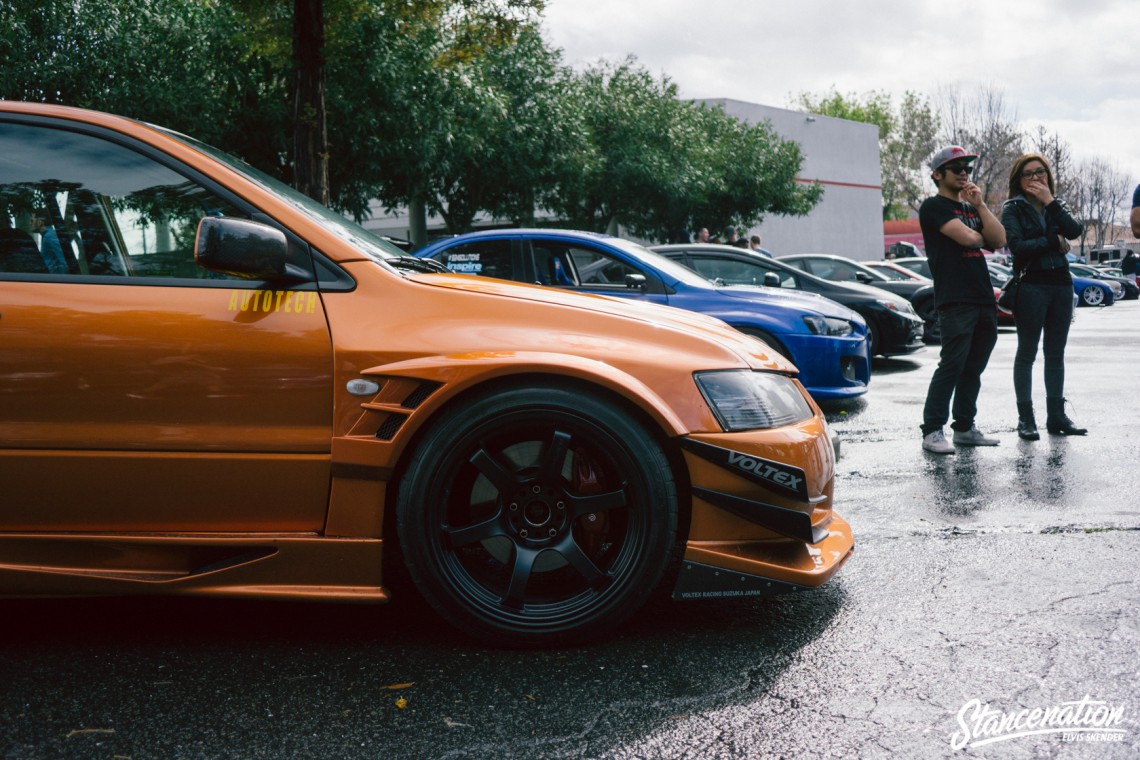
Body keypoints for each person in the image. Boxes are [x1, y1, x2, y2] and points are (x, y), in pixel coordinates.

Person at [918, 146, 1007, 454]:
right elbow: (970, 239)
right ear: (937, 175)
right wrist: (979, 236)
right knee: (953, 364)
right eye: (955, 168)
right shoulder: (933, 207)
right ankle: (932, 430)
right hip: (955, 298)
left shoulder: (971, 208)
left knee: (974, 366)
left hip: (982, 296)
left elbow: (999, 239)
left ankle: (965, 428)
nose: (963, 172)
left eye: (966, 167)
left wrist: (981, 206)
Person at [1001, 153, 1086, 439]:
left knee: (1056, 353)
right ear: (1019, 180)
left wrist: (1050, 202)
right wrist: (1052, 240)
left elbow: (1074, 231)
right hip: (1031, 286)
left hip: (1061, 284)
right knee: (1026, 353)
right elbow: (1017, 247)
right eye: (1029, 174)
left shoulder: (1056, 205)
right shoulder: (1012, 208)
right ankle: (1026, 419)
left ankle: (1056, 417)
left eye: (1041, 172)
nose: (1036, 178)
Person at [31, 208, 69, 274]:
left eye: (32, 221)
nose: (30, 223)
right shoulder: (47, 236)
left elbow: (65, 261)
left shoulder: (49, 236)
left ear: (40, 222)